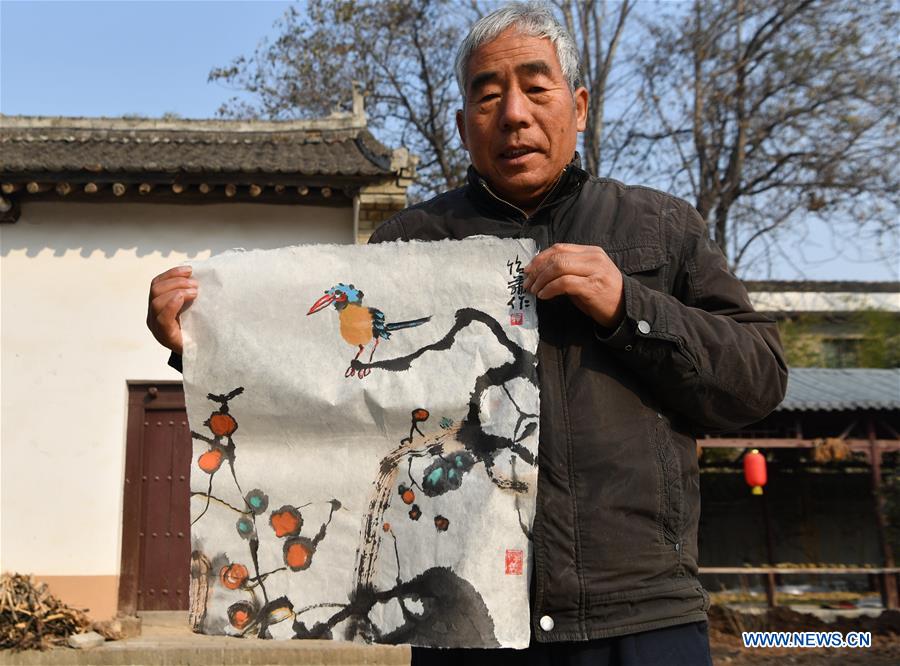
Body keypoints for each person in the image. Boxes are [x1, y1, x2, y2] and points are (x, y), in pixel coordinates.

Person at [148, 2, 787, 663]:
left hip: (642, 615)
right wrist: (204, 344)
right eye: (488, 96)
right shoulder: (411, 245)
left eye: (537, 88)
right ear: (462, 125)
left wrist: (631, 304)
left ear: (580, 105)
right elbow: (331, 398)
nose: (514, 114)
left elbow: (758, 381)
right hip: (465, 617)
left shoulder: (661, 230)